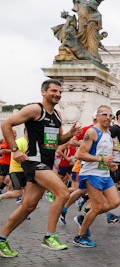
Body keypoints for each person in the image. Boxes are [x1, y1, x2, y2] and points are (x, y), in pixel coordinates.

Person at [0, 79, 82, 257]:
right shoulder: (35, 109)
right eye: (53, 91)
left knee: (28, 206)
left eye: (60, 92)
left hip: (46, 163)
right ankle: (49, 236)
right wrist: (15, 150)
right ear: (43, 92)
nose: (57, 94)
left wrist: (70, 134)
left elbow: (57, 141)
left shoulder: (58, 115)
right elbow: (5, 124)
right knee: (63, 193)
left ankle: (1, 239)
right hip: (34, 161)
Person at [73, 105, 120, 247]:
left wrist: (109, 164)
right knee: (98, 206)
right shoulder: (92, 132)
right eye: (104, 114)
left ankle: (85, 218)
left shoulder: (108, 134)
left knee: (114, 203)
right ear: (97, 116)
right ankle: (80, 236)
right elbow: (79, 154)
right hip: (91, 174)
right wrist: (101, 160)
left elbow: (102, 155)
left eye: (111, 115)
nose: (108, 118)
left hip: (104, 173)